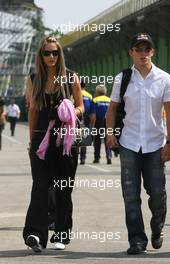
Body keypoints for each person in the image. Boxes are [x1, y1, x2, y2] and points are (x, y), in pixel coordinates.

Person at [106, 33, 170, 255]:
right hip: (129, 143)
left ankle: (157, 227)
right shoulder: (122, 78)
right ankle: (137, 240)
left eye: (147, 49)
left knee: (157, 193)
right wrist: (109, 134)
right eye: (139, 49)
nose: (143, 53)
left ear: (152, 52)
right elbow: (112, 109)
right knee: (130, 194)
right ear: (131, 53)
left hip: (156, 144)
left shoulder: (164, 78)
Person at [23, 35, 84, 252]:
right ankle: (35, 234)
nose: (51, 56)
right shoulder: (33, 79)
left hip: (65, 140)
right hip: (41, 140)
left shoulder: (70, 77)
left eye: (55, 52)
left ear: (60, 55)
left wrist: (69, 110)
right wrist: (31, 141)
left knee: (62, 188)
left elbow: (81, 106)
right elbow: (32, 111)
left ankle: (61, 234)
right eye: (47, 53)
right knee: (39, 187)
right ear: (40, 55)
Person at [91, 85, 112, 164]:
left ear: (97, 92)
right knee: (108, 139)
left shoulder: (95, 100)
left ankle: (97, 158)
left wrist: (92, 125)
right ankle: (109, 157)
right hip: (108, 122)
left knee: (97, 141)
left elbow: (93, 115)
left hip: (98, 122)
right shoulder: (109, 100)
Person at [79, 80, 93, 165]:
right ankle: (83, 158)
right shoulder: (89, 96)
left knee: (74, 138)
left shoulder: (74, 93)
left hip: (76, 119)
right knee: (84, 138)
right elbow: (91, 111)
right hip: (86, 120)